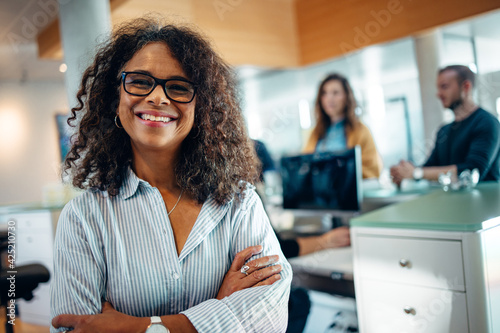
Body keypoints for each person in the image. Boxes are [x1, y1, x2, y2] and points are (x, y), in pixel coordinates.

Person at [50, 17, 292, 333]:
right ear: (116, 97)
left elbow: (269, 318)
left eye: (178, 87)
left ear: (201, 108)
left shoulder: (239, 202)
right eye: (139, 81)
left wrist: (136, 328)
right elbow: (76, 329)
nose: (158, 98)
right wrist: (218, 312)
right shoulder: (83, 218)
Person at [252, 138, 351, 333]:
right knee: (299, 299)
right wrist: (326, 242)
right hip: (253, 306)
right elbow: (277, 249)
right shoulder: (247, 193)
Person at [390, 65, 500, 185]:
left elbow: (472, 171)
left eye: (444, 87)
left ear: (466, 87)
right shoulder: (444, 130)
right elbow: (429, 168)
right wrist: (405, 171)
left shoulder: (487, 123)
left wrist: (417, 173)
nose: (438, 94)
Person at [303, 73, 382, 179]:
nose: (329, 98)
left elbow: (373, 169)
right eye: (324, 93)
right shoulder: (316, 133)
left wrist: (338, 172)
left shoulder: (361, 130)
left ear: (347, 96)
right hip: (321, 193)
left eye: (335, 93)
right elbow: (305, 165)